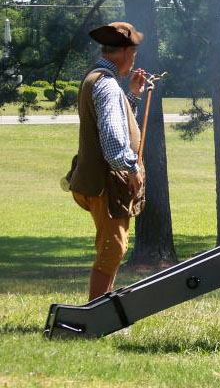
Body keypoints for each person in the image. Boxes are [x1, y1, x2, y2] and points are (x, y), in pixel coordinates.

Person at [69, 22, 147, 301]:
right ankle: (95, 315)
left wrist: (133, 97)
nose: (134, 59)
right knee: (112, 249)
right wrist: (132, 168)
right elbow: (114, 140)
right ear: (125, 51)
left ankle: (102, 310)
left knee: (113, 248)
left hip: (102, 180)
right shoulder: (106, 84)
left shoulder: (98, 78)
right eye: (134, 53)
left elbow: (116, 121)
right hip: (107, 183)